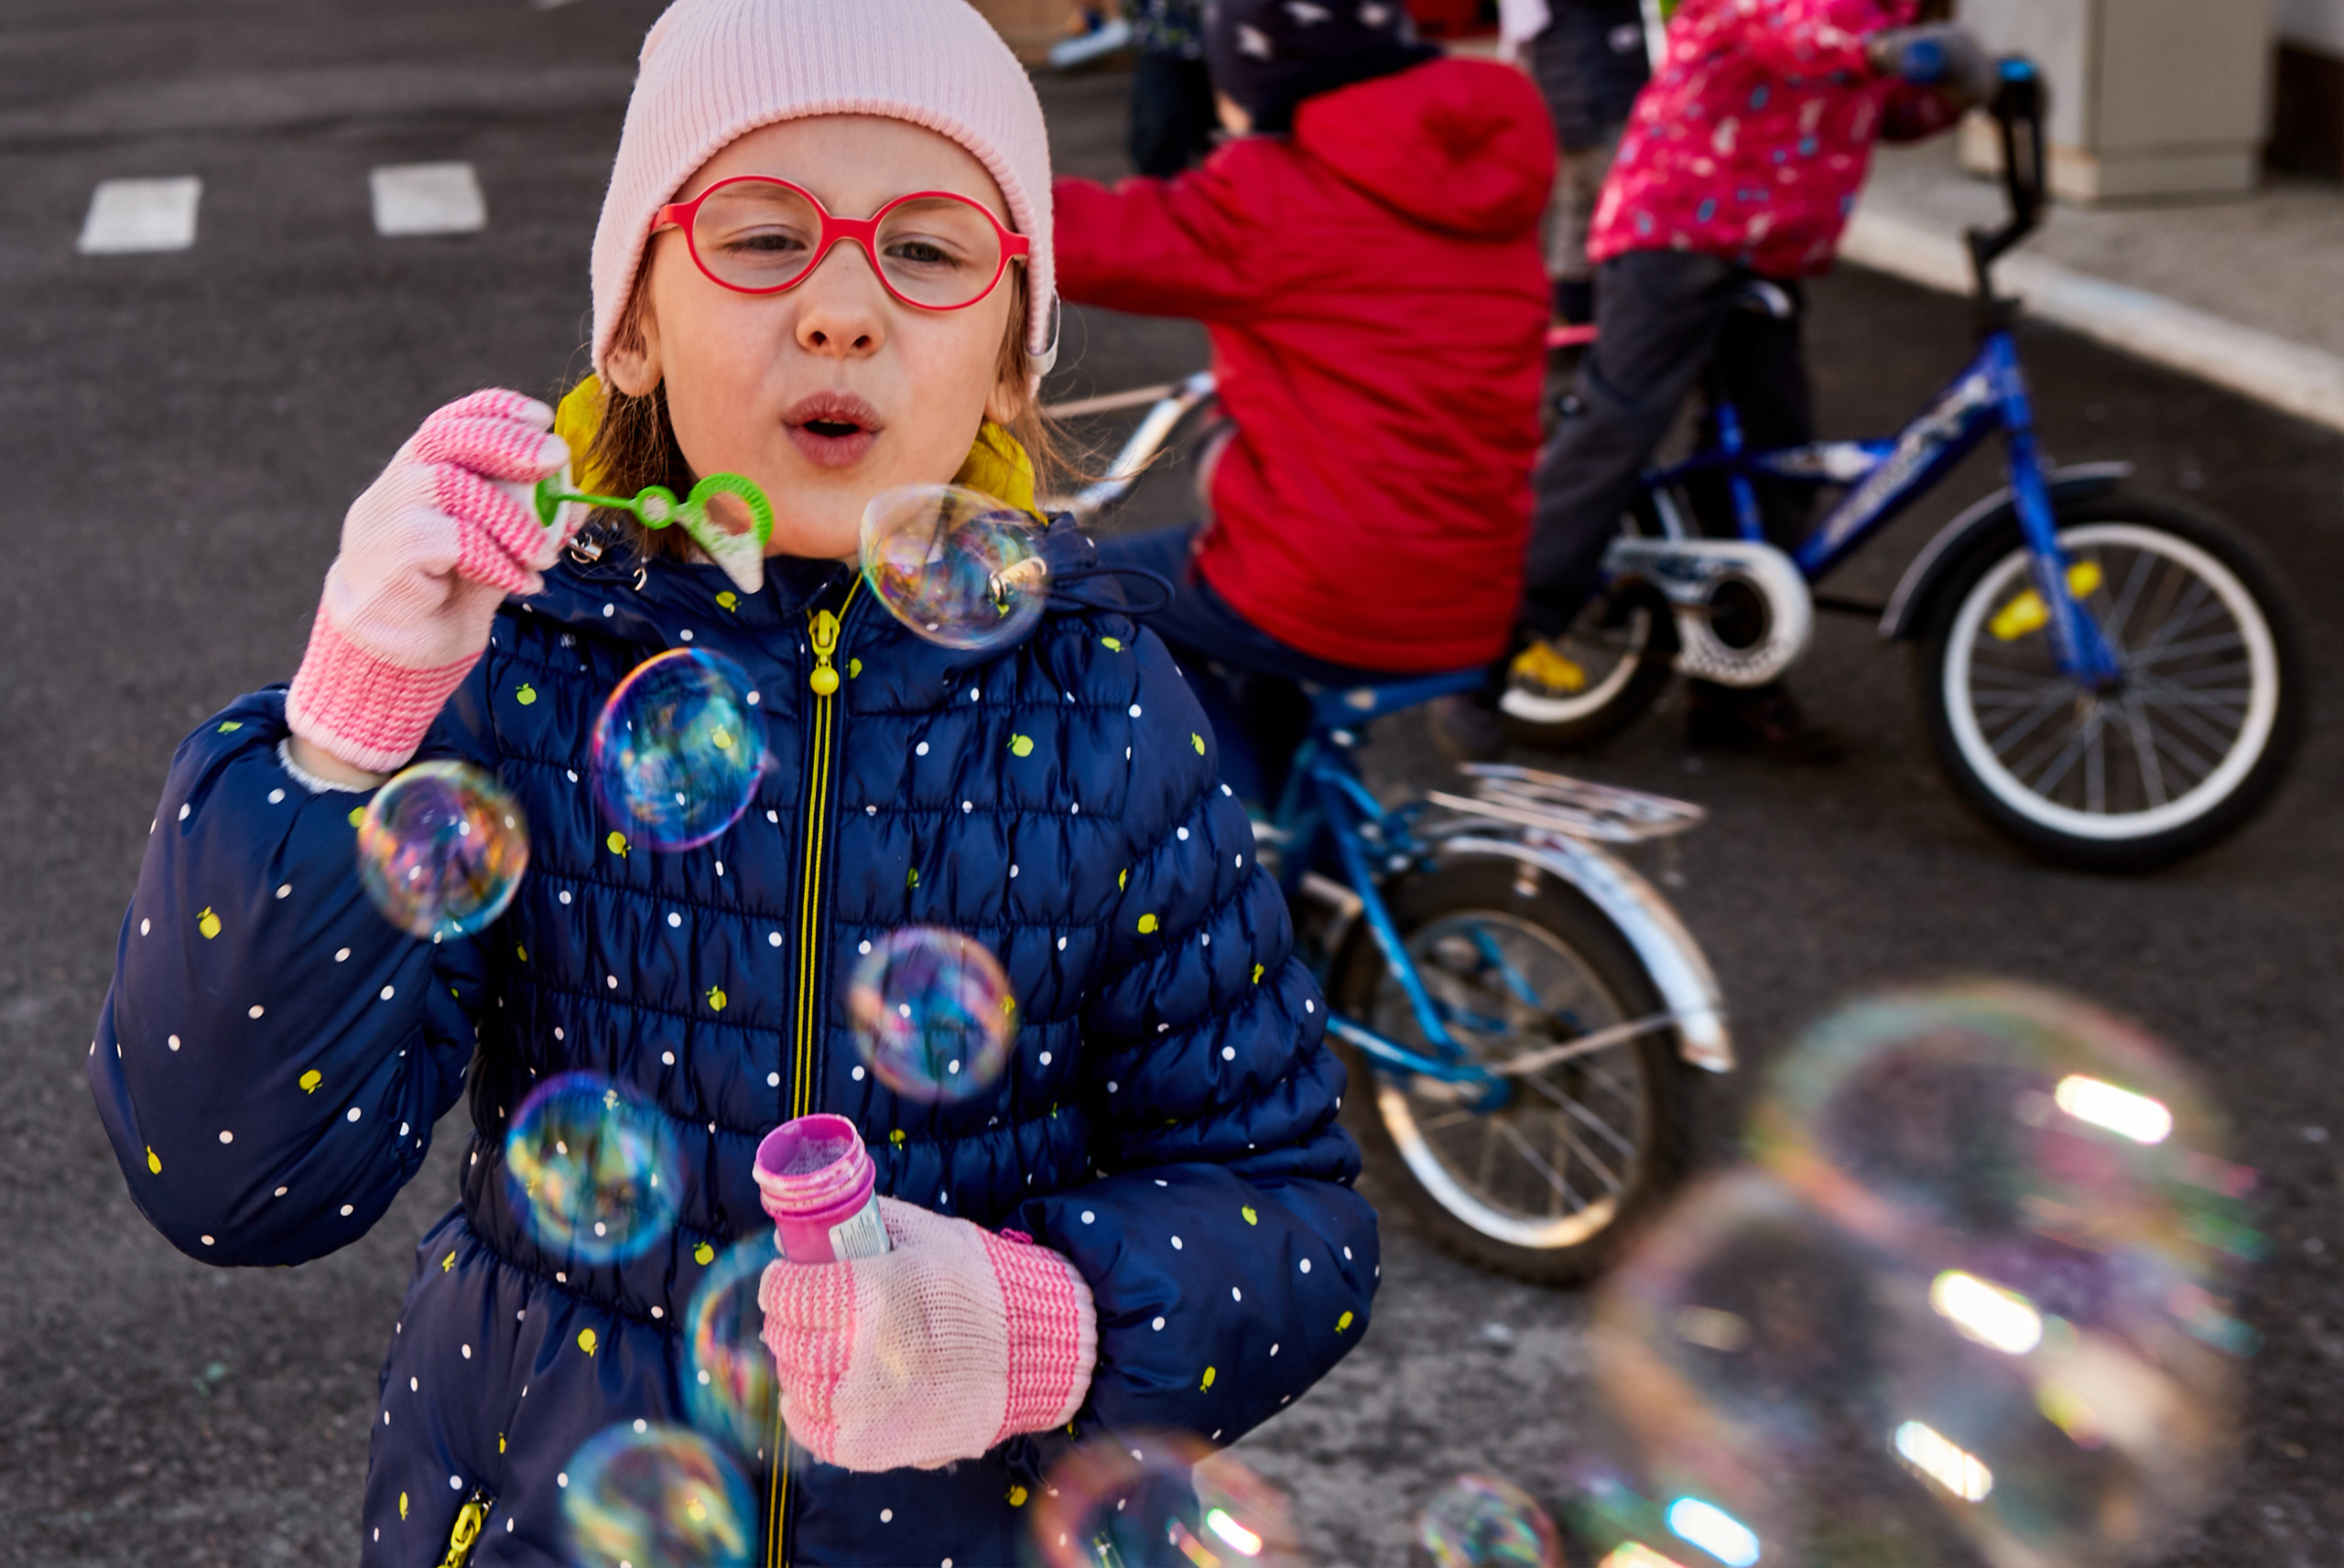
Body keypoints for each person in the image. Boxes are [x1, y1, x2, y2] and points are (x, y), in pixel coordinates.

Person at [85, 2, 1377, 1563]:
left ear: (1006, 347)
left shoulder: (1108, 707)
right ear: (631, 328)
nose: (843, 307)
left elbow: (1290, 1209)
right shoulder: (523, 674)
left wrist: (1048, 1325)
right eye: (764, 236)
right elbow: (234, 1174)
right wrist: (345, 725)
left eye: (930, 249)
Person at [1053, 0, 1555, 808]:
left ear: (1257, 81)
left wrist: (945, 194)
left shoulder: (1276, 195)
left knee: (1071, 589)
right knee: (1250, 629)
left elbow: (1089, 237)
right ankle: (1303, 833)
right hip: (1477, 581)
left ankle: (1241, 846)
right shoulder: (1487, 175)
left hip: (1327, 588)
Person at [1511, 1, 1991, 759]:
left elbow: (1877, 105)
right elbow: (1787, 31)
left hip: (1770, 246)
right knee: (1623, 417)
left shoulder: (1887, 10)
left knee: (1775, 455)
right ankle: (1505, 634)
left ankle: (1735, 675)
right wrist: (1888, 49)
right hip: (1676, 224)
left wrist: (1958, 89)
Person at [1126, 0, 1220, 178]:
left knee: (1233, 136)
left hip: (1223, 35)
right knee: (1161, 129)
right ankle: (1158, 197)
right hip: (1160, 41)